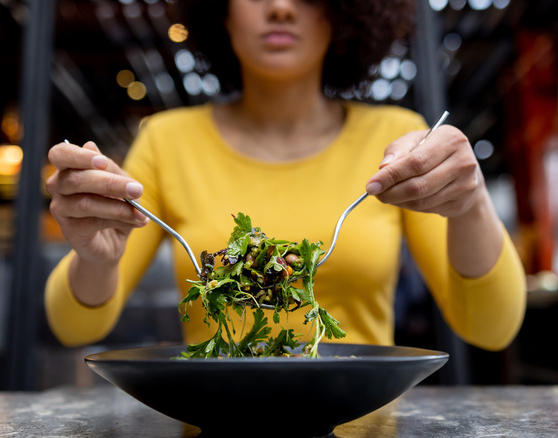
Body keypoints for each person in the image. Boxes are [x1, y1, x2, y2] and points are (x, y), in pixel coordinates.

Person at [44, 0, 526, 351]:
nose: (279, 7)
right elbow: (74, 328)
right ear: (223, 12)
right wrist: (97, 258)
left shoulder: (397, 139)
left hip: (360, 423)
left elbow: (491, 328)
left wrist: (471, 204)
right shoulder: (168, 141)